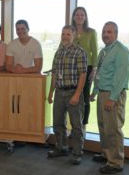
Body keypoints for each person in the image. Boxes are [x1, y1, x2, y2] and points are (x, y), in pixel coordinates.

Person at [90, 21, 129, 174]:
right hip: (102, 93)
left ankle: (115, 162)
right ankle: (107, 154)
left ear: (116, 34)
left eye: (109, 32)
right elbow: (100, 73)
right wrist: (95, 91)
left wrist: (112, 98)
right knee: (103, 127)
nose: (106, 34)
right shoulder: (104, 51)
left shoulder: (121, 51)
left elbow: (121, 77)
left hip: (113, 94)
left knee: (113, 129)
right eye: (104, 31)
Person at [47, 25, 87, 165]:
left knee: (76, 125)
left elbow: (83, 75)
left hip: (73, 92)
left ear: (74, 36)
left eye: (68, 34)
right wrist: (51, 92)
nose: (65, 36)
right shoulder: (58, 53)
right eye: (63, 33)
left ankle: (77, 152)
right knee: (58, 122)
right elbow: (54, 75)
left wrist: (77, 94)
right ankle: (61, 147)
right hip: (59, 92)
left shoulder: (79, 52)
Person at [72, 7, 98, 132]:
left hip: (87, 68)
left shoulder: (91, 32)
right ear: (73, 17)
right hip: (72, 68)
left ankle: (83, 125)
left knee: (85, 96)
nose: (80, 17)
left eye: (82, 15)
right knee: (73, 95)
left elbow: (94, 52)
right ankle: (73, 125)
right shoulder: (70, 31)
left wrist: (94, 70)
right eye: (77, 14)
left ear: (85, 17)